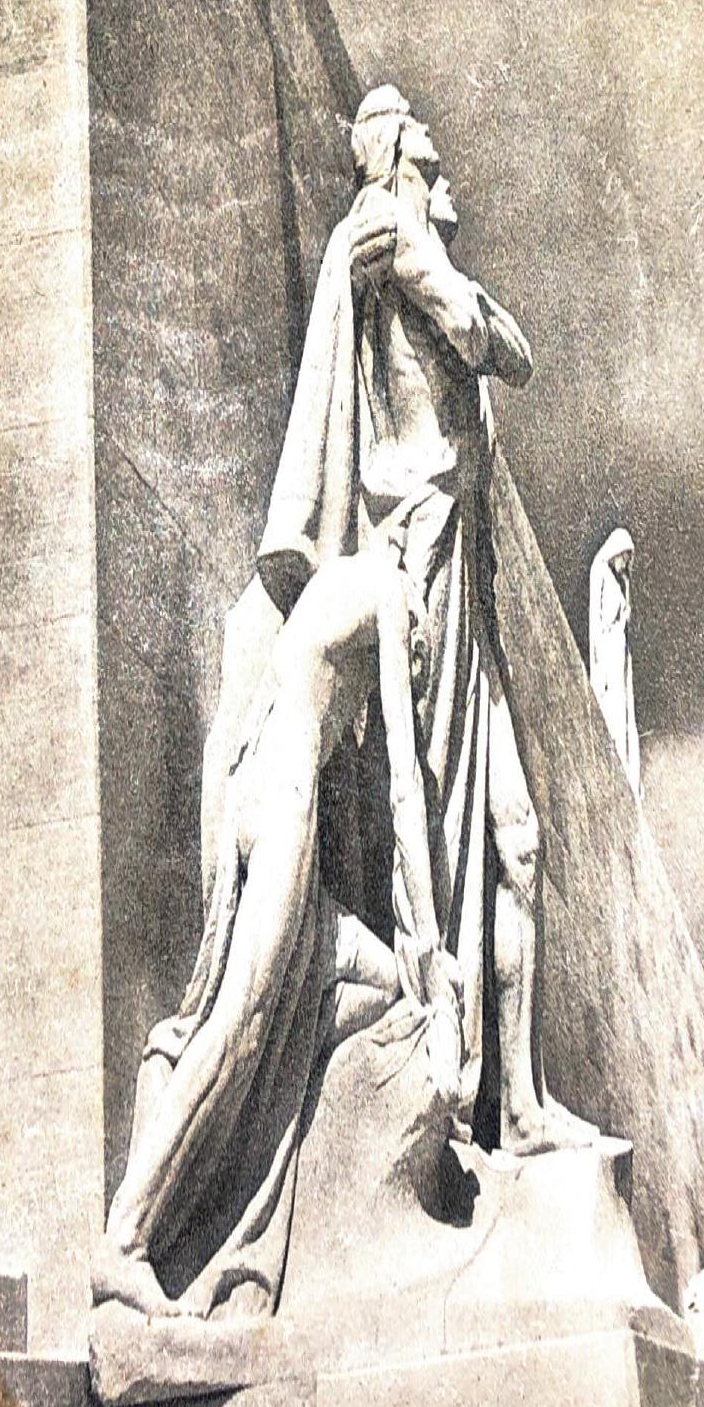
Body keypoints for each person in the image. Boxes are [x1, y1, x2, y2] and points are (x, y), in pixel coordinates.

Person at [258, 85, 594, 1154]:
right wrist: (487, 311)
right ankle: (455, 1082)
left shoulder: (404, 235)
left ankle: (523, 1104)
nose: (445, 174)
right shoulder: (388, 226)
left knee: (517, 841)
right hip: (425, 560)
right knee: (448, 825)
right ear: (396, 161)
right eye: (428, 157)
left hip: (466, 579)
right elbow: (489, 339)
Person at [91, 547, 463, 1319]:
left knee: (382, 984)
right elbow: (404, 785)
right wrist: (429, 938)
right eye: (420, 659)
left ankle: (259, 1085)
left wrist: (412, 969)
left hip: (263, 794)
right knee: (240, 1026)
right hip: (284, 796)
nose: (415, 669)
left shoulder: (331, 593)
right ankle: (124, 1242)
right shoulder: (391, 593)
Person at [589, 528, 641, 797]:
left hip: (620, 653)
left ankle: (628, 771)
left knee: (623, 710)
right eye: (624, 557)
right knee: (611, 710)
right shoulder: (600, 573)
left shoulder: (618, 582)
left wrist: (627, 585)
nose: (626, 563)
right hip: (608, 652)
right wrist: (599, 666)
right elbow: (597, 624)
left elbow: (625, 617)